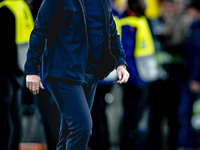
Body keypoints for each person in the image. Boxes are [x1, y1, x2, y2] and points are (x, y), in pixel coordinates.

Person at [24, 0, 130, 150]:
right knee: (82, 127)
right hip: (63, 72)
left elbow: (112, 31)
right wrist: (32, 70)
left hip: (90, 74)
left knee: (70, 131)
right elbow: (40, 30)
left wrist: (120, 62)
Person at [0, 0, 34, 149]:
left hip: (5, 69)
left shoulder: (5, 9)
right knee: (14, 113)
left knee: (3, 115)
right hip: (19, 68)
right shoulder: (22, 6)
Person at [177, 0, 200, 148]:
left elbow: (197, 57)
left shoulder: (197, 30)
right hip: (190, 78)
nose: (187, 14)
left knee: (187, 115)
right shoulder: (194, 28)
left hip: (193, 80)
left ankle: (186, 145)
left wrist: (195, 79)